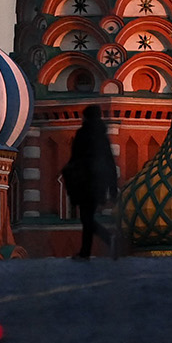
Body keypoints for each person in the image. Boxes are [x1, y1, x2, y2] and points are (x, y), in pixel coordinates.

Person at [62, 104, 122, 259]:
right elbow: (109, 163)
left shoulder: (83, 134)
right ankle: (87, 251)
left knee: (86, 218)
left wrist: (69, 171)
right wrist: (112, 188)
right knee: (87, 217)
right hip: (98, 184)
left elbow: (75, 158)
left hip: (84, 182)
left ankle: (105, 239)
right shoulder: (102, 137)